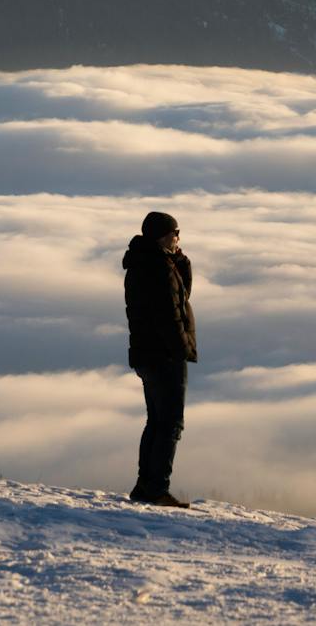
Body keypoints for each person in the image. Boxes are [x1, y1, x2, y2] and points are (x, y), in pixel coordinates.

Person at [123, 210, 196, 507]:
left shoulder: (145, 264)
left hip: (145, 354)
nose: (178, 238)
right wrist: (180, 350)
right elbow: (172, 314)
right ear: (161, 236)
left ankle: (145, 485)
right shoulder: (159, 269)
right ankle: (156, 489)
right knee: (170, 424)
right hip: (163, 356)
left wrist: (179, 261)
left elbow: (182, 296)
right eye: (174, 233)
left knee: (156, 421)